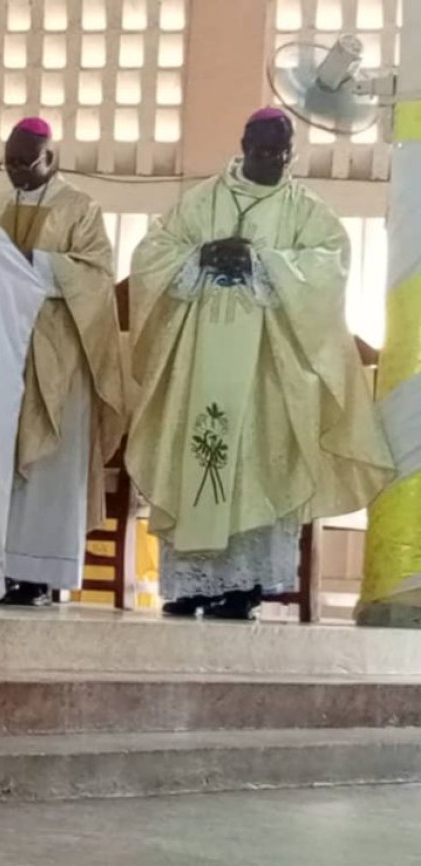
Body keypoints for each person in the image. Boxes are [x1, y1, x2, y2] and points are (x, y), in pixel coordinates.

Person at [127, 108, 393, 621]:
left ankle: (243, 586)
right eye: (263, 150)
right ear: (244, 144)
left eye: (281, 152)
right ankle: (193, 585)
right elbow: (152, 254)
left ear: (291, 152)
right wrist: (201, 256)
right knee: (196, 459)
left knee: (255, 466)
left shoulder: (307, 210)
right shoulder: (201, 200)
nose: (271, 160)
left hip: (267, 368)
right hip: (198, 359)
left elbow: (328, 265)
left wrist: (259, 260)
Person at [0, 117, 126, 606]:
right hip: (4, 353)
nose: (16, 171)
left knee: (49, 467)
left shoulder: (80, 208)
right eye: (9, 161)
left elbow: (99, 275)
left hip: (58, 356)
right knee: (0, 465)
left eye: (26, 161)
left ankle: (39, 574)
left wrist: (32, 260)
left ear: (50, 158)